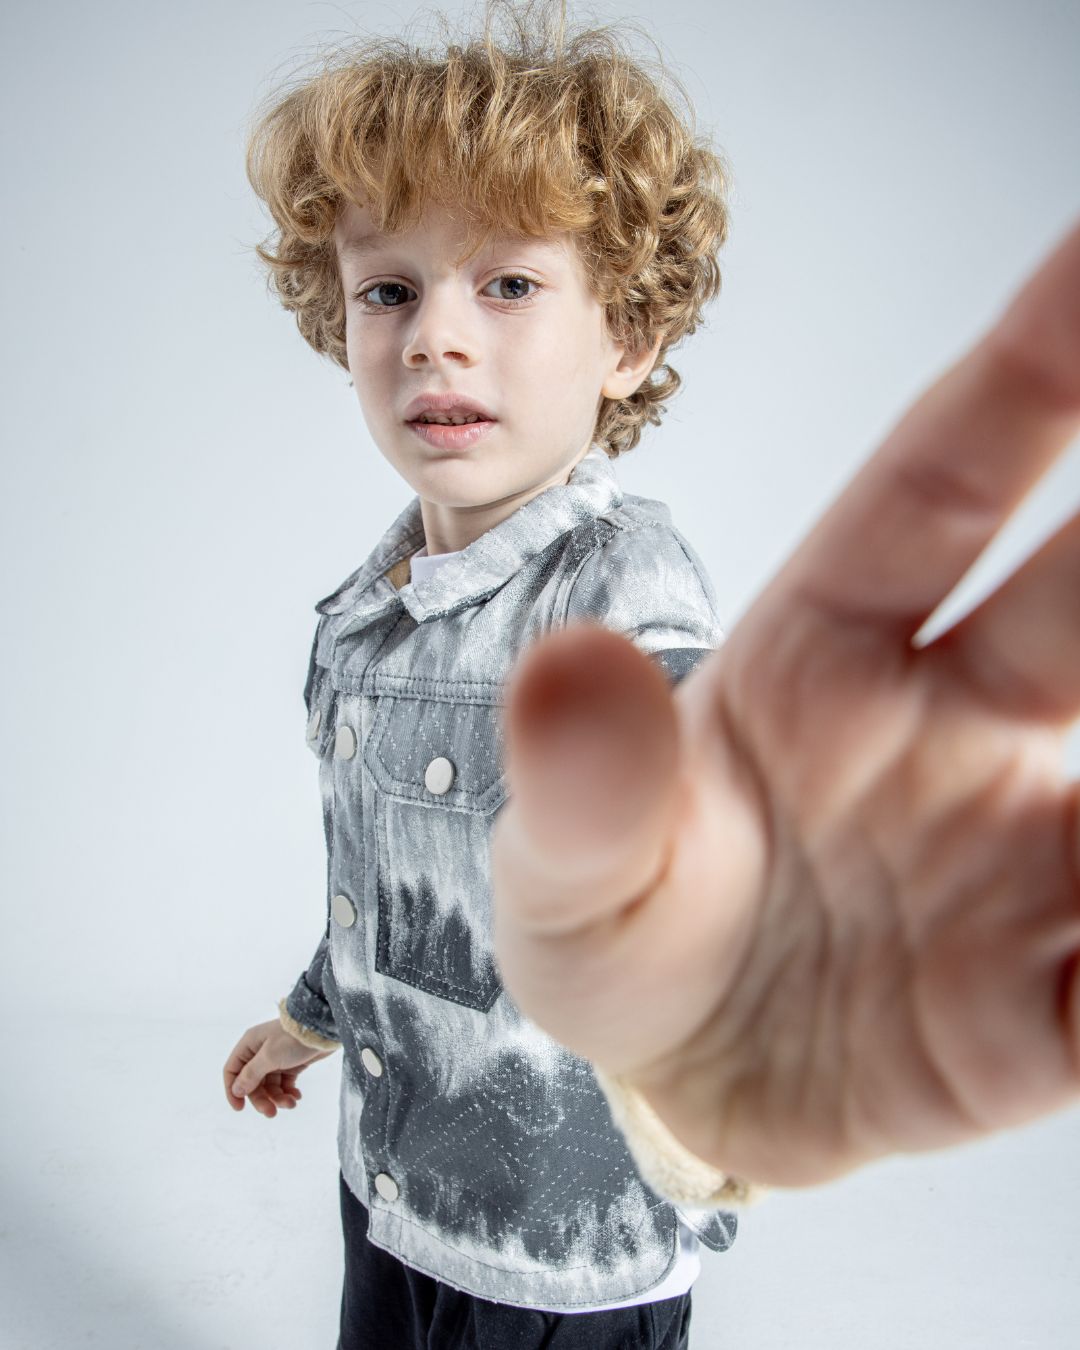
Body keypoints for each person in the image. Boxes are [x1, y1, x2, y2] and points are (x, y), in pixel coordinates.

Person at [223, 2, 743, 1345]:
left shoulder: (617, 590)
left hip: (560, 1252)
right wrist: (311, 1016)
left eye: (507, 285)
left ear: (625, 336)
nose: (433, 337)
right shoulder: (366, 618)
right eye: (389, 289)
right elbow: (398, 889)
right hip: (396, 1184)